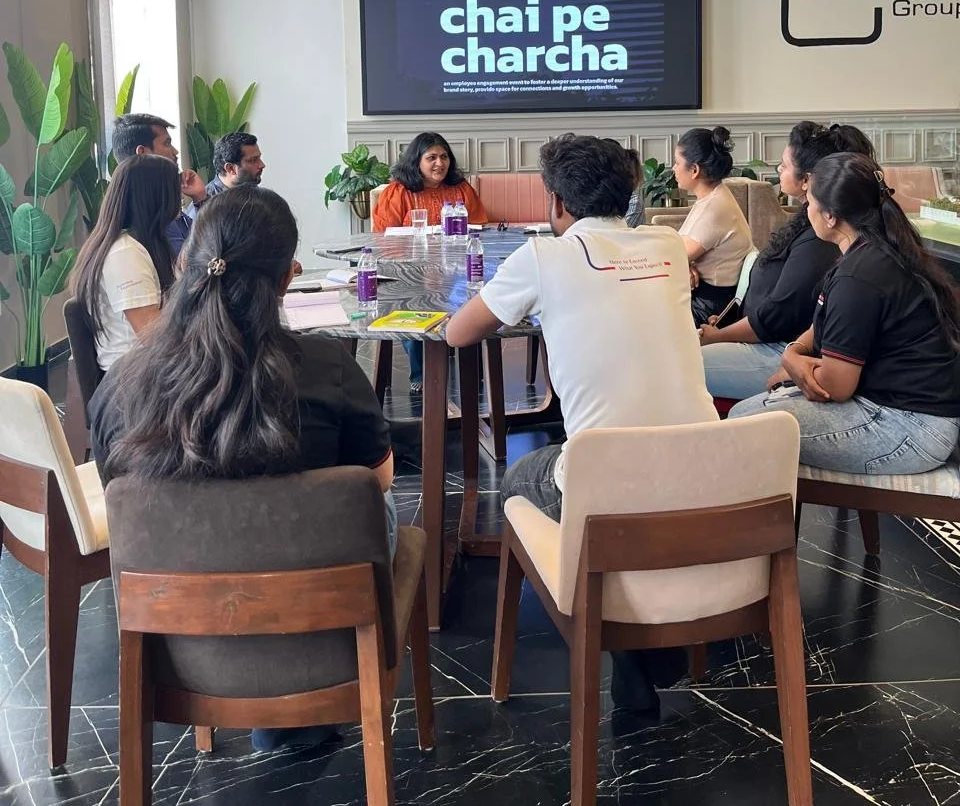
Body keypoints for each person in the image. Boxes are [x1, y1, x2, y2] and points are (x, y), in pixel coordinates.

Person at [88, 186, 396, 753]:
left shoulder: (120, 389)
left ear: (186, 265)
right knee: (372, 498)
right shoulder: (330, 369)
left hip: (180, 637)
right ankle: (295, 703)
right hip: (320, 619)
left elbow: (117, 489)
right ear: (285, 280)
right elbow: (378, 482)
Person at [446, 133, 717, 720]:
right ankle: (647, 631)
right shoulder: (669, 246)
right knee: (619, 484)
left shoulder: (543, 257)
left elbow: (458, 332)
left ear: (557, 205)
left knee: (521, 480)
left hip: (606, 482)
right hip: (708, 475)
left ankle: (616, 636)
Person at [729, 153, 960, 474]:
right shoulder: (877, 250)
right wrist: (795, 353)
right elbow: (824, 324)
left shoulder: (859, 275)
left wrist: (793, 366)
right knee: (754, 413)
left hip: (909, 428)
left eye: (809, 202)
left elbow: (835, 387)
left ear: (831, 216)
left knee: (743, 425)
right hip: (911, 413)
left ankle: (759, 522)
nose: (805, 210)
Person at [698, 122, 877, 399]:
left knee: (678, 368)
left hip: (776, 349)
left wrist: (719, 336)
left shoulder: (822, 239)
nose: (778, 170)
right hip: (771, 343)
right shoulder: (809, 226)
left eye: (783, 165)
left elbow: (778, 317)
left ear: (808, 180)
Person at [374, 132, 487, 393]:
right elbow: (385, 237)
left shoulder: (460, 189)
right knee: (415, 301)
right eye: (432, 157)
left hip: (455, 268)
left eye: (444, 157)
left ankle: (474, 372)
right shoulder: (398, 191)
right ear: (417, 161)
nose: (440, 163)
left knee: (477, 300)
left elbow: (479, 225)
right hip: (410, 270)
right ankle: (421, 373)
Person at [70, 155, 181, 371]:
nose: (180, 196)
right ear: (155, 196)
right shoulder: (125, 253)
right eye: (173, 188)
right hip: (131, 381)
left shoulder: (140, 245)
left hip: (145, 370)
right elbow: (154, 337)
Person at [674, 126, 752, 325]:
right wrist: (687, 263)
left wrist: (682, 263)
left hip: (709, 310)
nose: (673, 169)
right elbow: (679, 253)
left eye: (677, 163)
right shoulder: (712, 197)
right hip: (702, 298)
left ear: (694, 170)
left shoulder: (714, 208)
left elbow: (670, 259)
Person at [111, 113, 207, 257]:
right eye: (167, 144)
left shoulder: (164, 201)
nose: (175, 152)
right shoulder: (148, 213)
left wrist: (200, 198)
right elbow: (198, 261)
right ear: (142, 154)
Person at [206, 131, 266, 196]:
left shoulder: (256, 194)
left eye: (259, 158)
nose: (262, 165)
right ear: (231, 168)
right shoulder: (206, 203)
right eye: (253, 160)